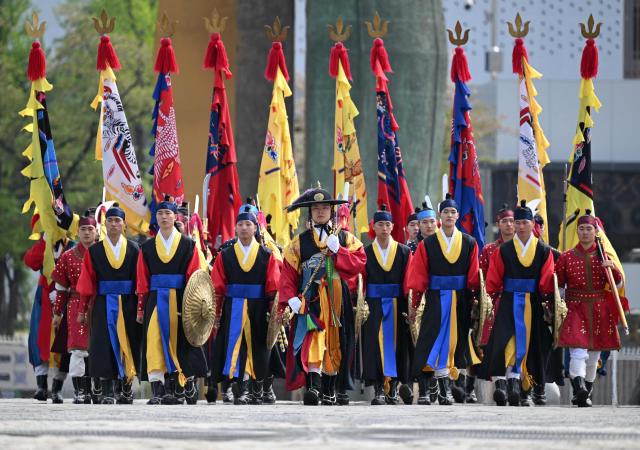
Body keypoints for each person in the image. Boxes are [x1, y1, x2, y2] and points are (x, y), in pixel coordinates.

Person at [279, 187, 366, 405]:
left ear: (332, 211)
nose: (320, 212)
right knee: (312, 337)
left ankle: (331, 388)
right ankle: (314, 387)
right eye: (316, 208)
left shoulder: (345, 238)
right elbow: (288, 273)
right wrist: (290, 297)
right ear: (309, 212)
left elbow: (360, 263)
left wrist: (341, 252)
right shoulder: (298, 243)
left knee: (335, 339)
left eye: (325, 208)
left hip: (337, 296)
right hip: (311, 297)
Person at [479, 200, 555, 406]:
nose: (520, 227)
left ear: (532, 224)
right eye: (518, 222)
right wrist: (491, 301)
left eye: (524, 222)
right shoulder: (503, 251)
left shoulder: (543, 250)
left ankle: (526, 388)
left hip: (534, 304)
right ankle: (507, 387)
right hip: (508, 303)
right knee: (507, 343)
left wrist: (549, 304)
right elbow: (493, 280)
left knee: (532, 346)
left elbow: (547, 281)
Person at [406, 194, 479, 405]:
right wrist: (414, 304)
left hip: (460, 301)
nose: (449, 215)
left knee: (453, 344)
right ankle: (427, 390)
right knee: (430, 340)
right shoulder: (427, 244)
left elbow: (473, 276)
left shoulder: (469, 242)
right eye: (445, 212)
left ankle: (445, 390)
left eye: (453, 212)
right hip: (436, 298)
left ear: (458, 216)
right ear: (440, 216)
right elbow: (419, 276)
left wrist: (475, 302)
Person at [136, 198, 208, 405]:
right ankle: (158, 390)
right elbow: (142, 278)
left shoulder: (188, 245)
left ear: (175, 216)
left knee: (181, 342)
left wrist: (193, 306)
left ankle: (182, 385)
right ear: (156, 218)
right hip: (155, 301)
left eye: (168, 214)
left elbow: (195, 275)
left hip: (181, 300)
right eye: (160, 214)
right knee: (155, 341)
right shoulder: (148, 247)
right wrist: (141, 307)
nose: (164, 217)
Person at [210, 206, 280, 404]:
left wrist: (274, 312)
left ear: (256, 228)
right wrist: (216, 313)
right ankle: (242, 388)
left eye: (248, 224)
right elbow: (217, 287)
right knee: (236, 347)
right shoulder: (225, 255)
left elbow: (273, 286)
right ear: (235, 229)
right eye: (240, 224)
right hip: (233, 307)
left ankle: (257, 388)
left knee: (257, 347)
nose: (243, 228)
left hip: (258, 308)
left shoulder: (267, 255)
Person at [556, 211, 625, 407]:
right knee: (578, 351)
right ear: (576, 231)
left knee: (594, 355)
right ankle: (580, 389)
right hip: (575, 307)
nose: (585, 232)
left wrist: (612, 268)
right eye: (582, 229)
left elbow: (617, 285)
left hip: (599, 308)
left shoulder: (605, 257)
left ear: (596, 232)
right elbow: (559, 287)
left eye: (589, 229)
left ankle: (585, 390)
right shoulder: (566, 257)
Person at [76, 205, 141, 404]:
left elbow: (140, 279)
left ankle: (126, 388)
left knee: (128, 343)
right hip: (103, 303)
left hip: (128, 303)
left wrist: (140, 306)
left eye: (118, 221)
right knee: (102, 345)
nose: (114, 224)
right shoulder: (95, 251)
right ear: (105, 224)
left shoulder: (134, 249)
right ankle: (107, 391)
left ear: (124, 225)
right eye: (110, 220)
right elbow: (87, 281)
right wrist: (82, 309)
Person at [362, 205, 413, 405]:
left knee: (397, 344)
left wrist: (410, 307)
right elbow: (361, 280)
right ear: (373, 227)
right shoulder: (365, 252)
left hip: (396, 303)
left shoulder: (403, 251)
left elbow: (409, 280)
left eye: (387, 224)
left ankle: (392, 388)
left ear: (392, 227)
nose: (384, 228)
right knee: (374, 344)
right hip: (373, 304)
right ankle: (377, 389)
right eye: (380, 224)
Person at [51, 212, 98, 403]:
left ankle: (95, 390)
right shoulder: (68, 256)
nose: (87, 233)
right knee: (77, 349)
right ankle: (80, 392)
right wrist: (57, 313)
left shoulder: (103, 254)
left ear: (96, 232)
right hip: (75, 305)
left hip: (97, 305)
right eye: (83, 229)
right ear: (77, 232)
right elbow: (61, 289)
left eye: (90, 229)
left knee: (97, 348)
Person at [24, 227, 73, 404]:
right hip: (43, 297)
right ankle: (41, 386)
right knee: (39, 339)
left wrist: (65, 290)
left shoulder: (72, 247)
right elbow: (31, 262)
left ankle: (57, 388)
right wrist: (44, 241)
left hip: (66, 297)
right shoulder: (44, 245)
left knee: (63, 342)